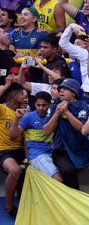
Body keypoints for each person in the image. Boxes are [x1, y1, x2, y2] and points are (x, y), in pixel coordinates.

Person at [0, 83, 27, 218]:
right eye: (22, 95)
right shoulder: (2, 109)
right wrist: (5, 87)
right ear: (15, 96)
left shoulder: (24, 113)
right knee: (15, 170)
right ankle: (9, 207)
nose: (25, 98)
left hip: (20, 151)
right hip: (4, 151)